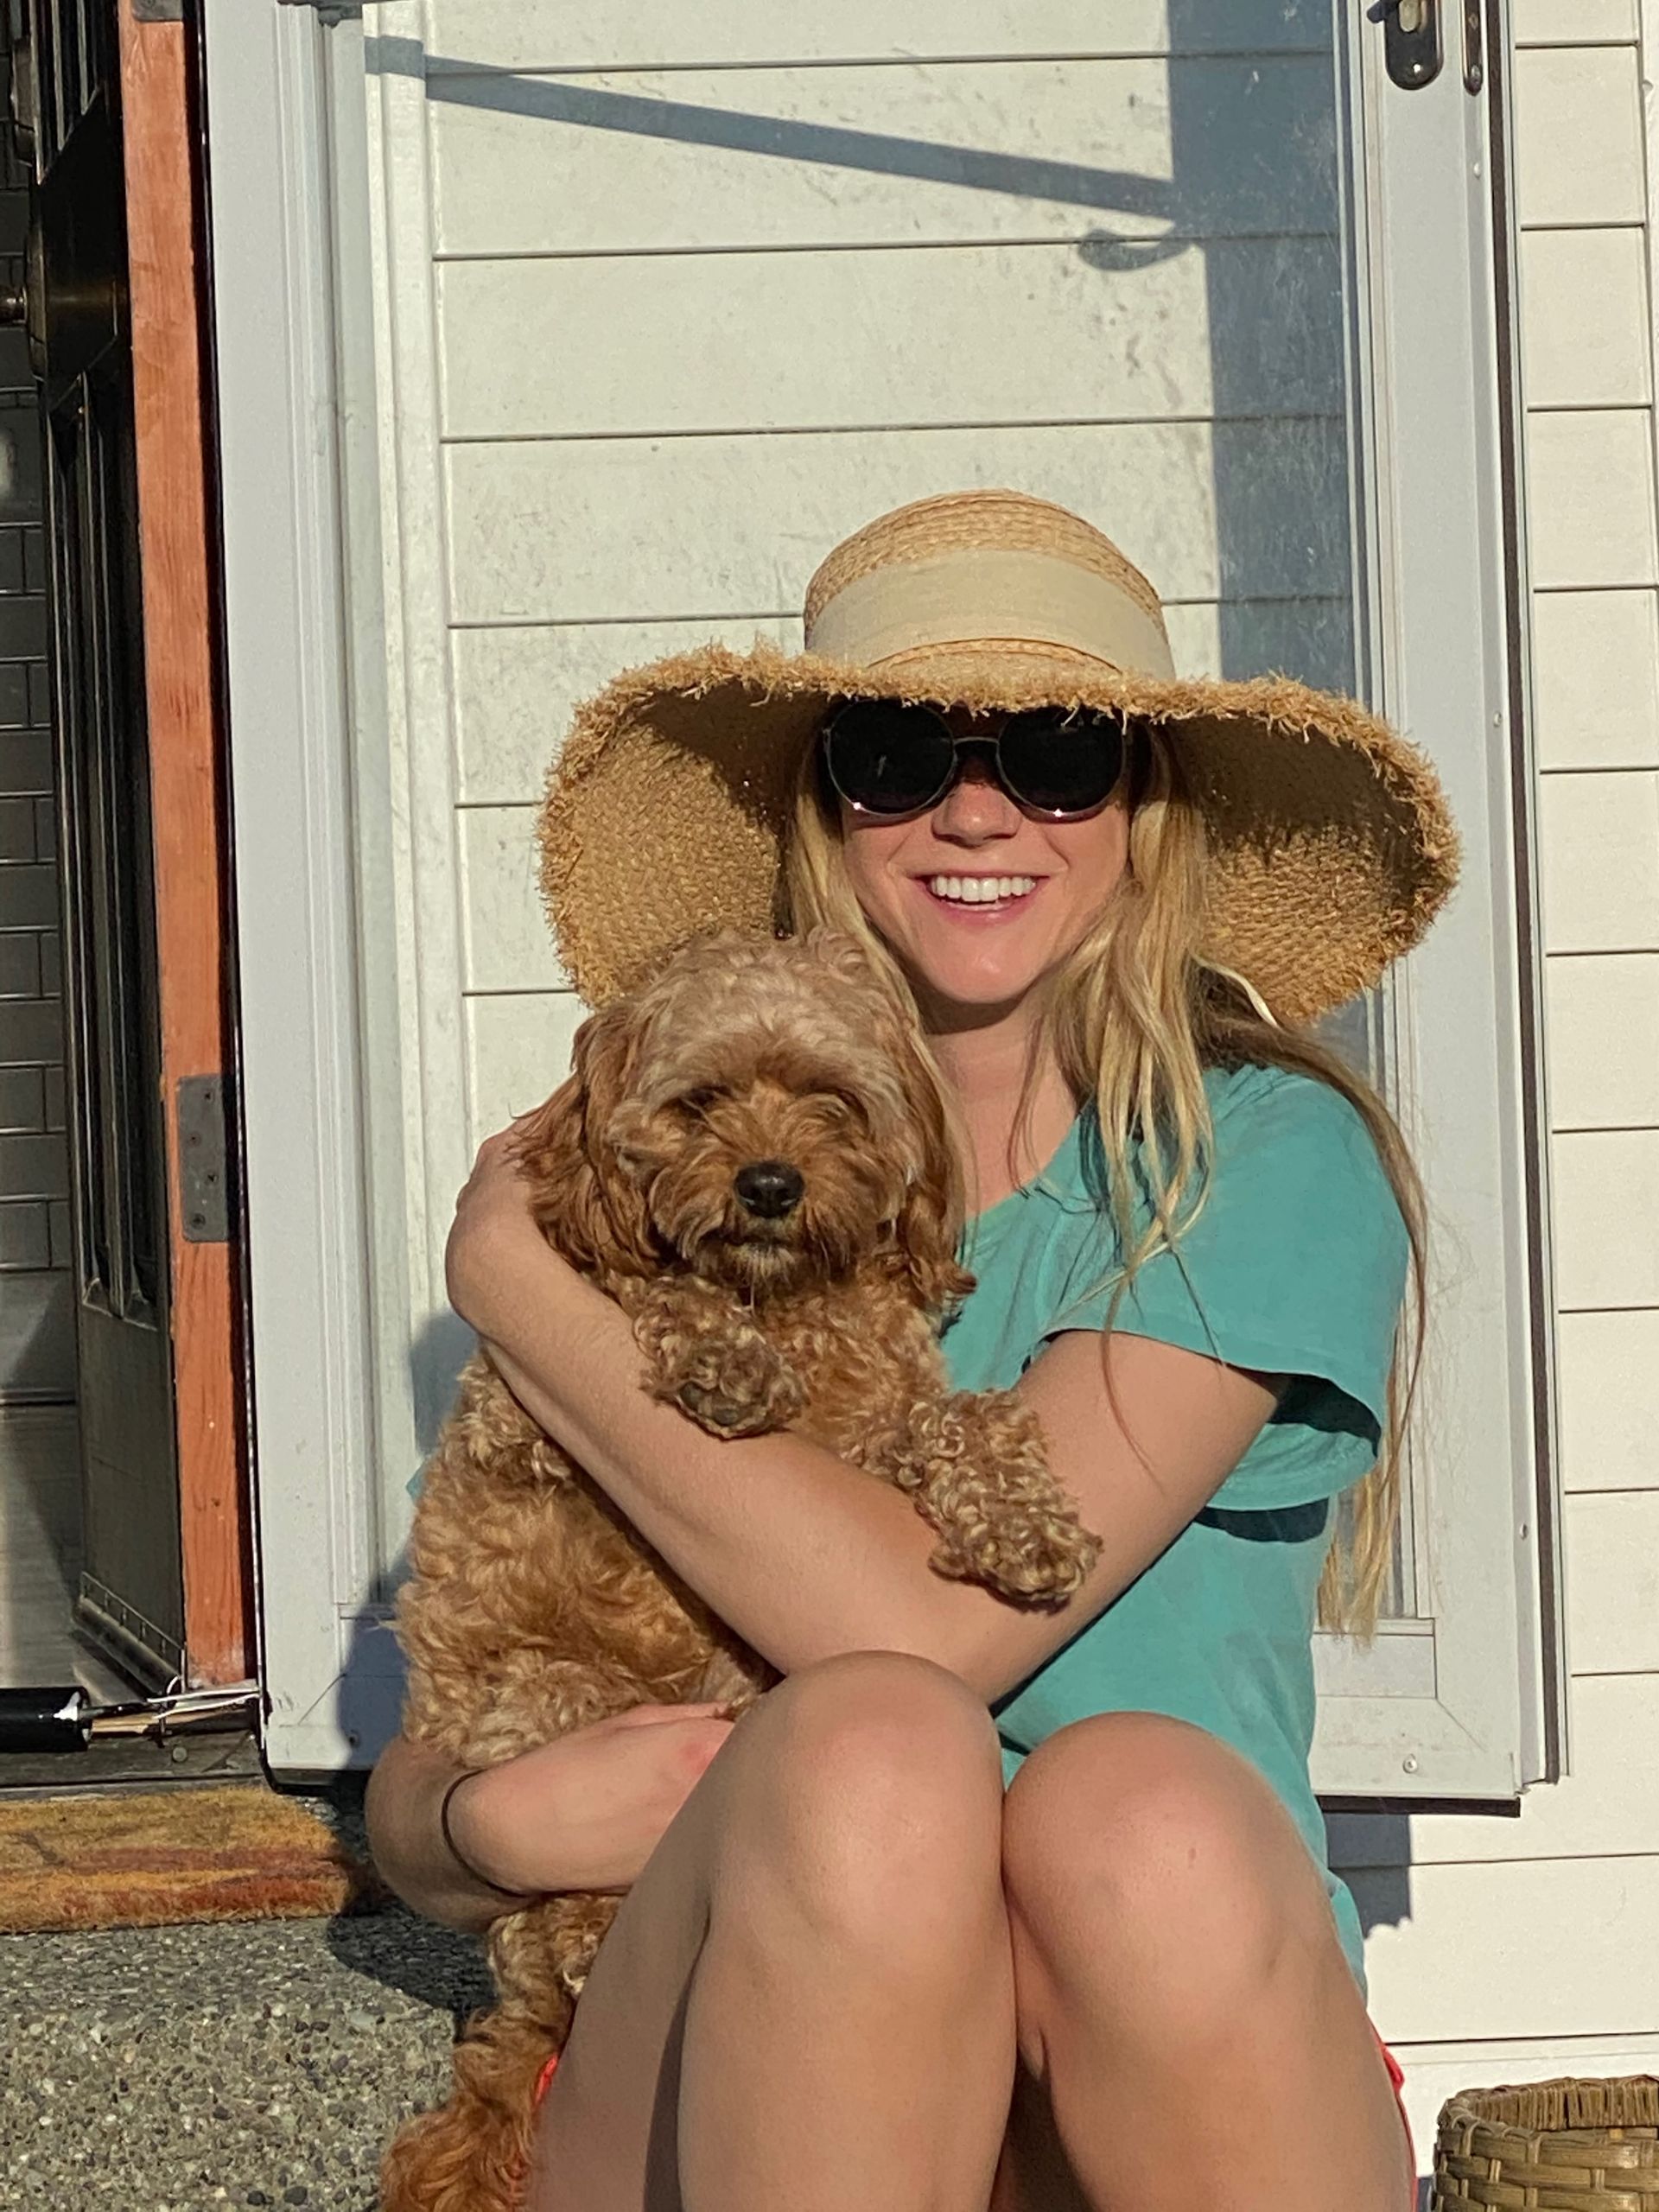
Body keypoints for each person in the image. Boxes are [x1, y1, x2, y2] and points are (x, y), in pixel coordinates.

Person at [367, 487, 1458, 2211]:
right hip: (741, 2051)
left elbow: (911, 1626)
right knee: (871, 1776)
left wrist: (518, 1290)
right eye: (894, 752)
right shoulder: (663, 1214)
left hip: (1171, 2045)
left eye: (1059, 750)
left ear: (1144, 810)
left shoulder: (1252, 1163)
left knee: (1119, 1807)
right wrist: (475, 1830)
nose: (975, 806)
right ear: (828, 809)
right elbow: (455, 1720)